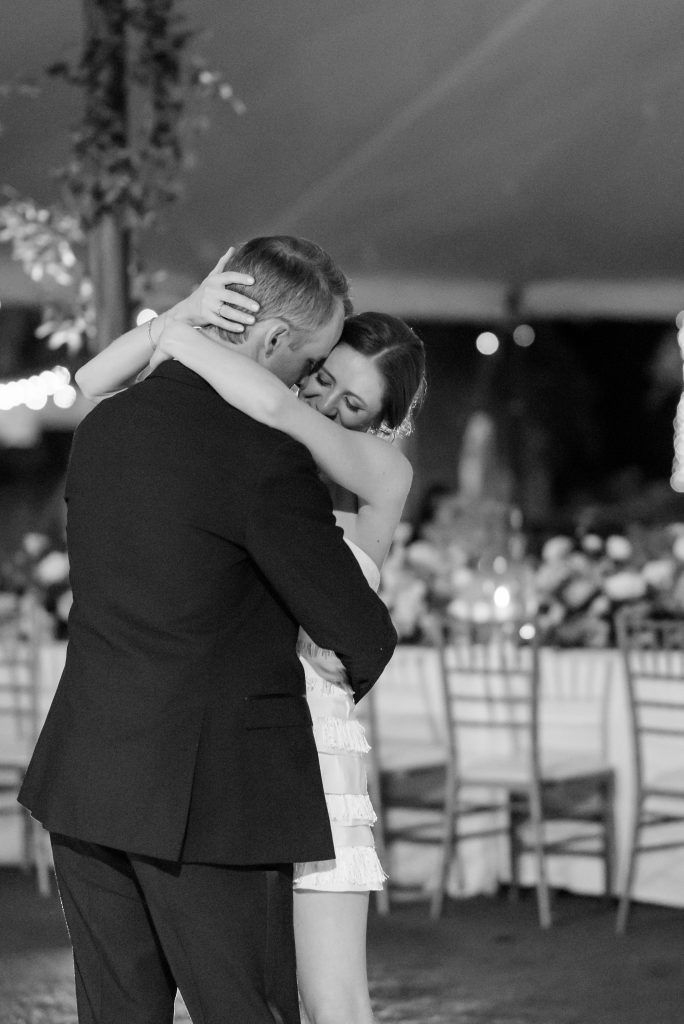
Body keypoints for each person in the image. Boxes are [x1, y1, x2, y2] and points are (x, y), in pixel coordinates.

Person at [19, 236, 398, 1024]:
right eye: (311, 360)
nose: (305, 385)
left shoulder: (105, 427)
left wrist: (172, 325)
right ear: (269, 341)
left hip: (87, 776)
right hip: (213, 799)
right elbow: (360, 630)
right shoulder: (263, 457)